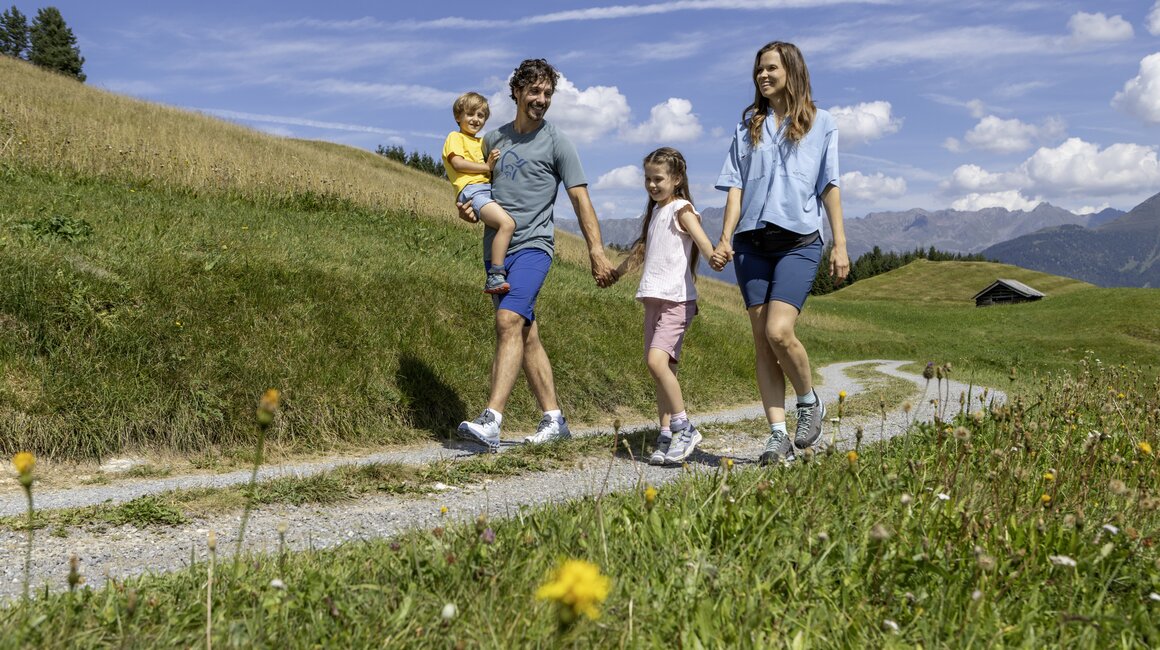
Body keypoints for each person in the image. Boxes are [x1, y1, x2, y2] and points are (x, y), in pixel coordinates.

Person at [455, 59, 616, 452]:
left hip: (534, 247)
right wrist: (468, 210)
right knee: (525, 332)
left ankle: (492, 419)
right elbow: (478, 190)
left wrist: (596, 250)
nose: (541, 99)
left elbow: (581, 198)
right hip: (496, 250)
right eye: (534, 91)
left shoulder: (558, 142)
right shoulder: (492, 140)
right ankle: (555, 419)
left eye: (547, 93)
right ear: (517, 92)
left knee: (509, 321)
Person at [709, 41, 850, 466]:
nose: (763, 76)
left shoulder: (822, 123)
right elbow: (734, 188)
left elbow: (829, 185)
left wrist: (840, 243)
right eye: (758, 70)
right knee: (760, 339)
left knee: (778, 332)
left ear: (792, 70)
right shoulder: (748, 125)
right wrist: (724, 237)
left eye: (771, 68)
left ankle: (809, 402)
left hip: (799, 241)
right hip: (751, 242)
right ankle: (777, 434)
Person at [610, 147, 716, 466]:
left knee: (657, 363)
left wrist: (714, 257)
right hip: (654, 299)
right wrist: (615, 273)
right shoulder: (657, 211)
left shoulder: (682, 208)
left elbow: (701, 240)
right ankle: (667, 433)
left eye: (658, 179)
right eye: (648, 179)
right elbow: (642, 252)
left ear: (677, 179)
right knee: (661, 370)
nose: (652, 185)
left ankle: (684, 426)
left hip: (676, 300)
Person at [442, 92, 515, 294]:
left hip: (486, 190)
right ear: (458, 117)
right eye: (470, 114)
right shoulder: (455, 137)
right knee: (507, 223)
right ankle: (495, 275)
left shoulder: (481, 142)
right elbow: (457, 163)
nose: (476, 119)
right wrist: (486, 166)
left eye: (481, 115)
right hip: (472, 191)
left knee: (508, 221)